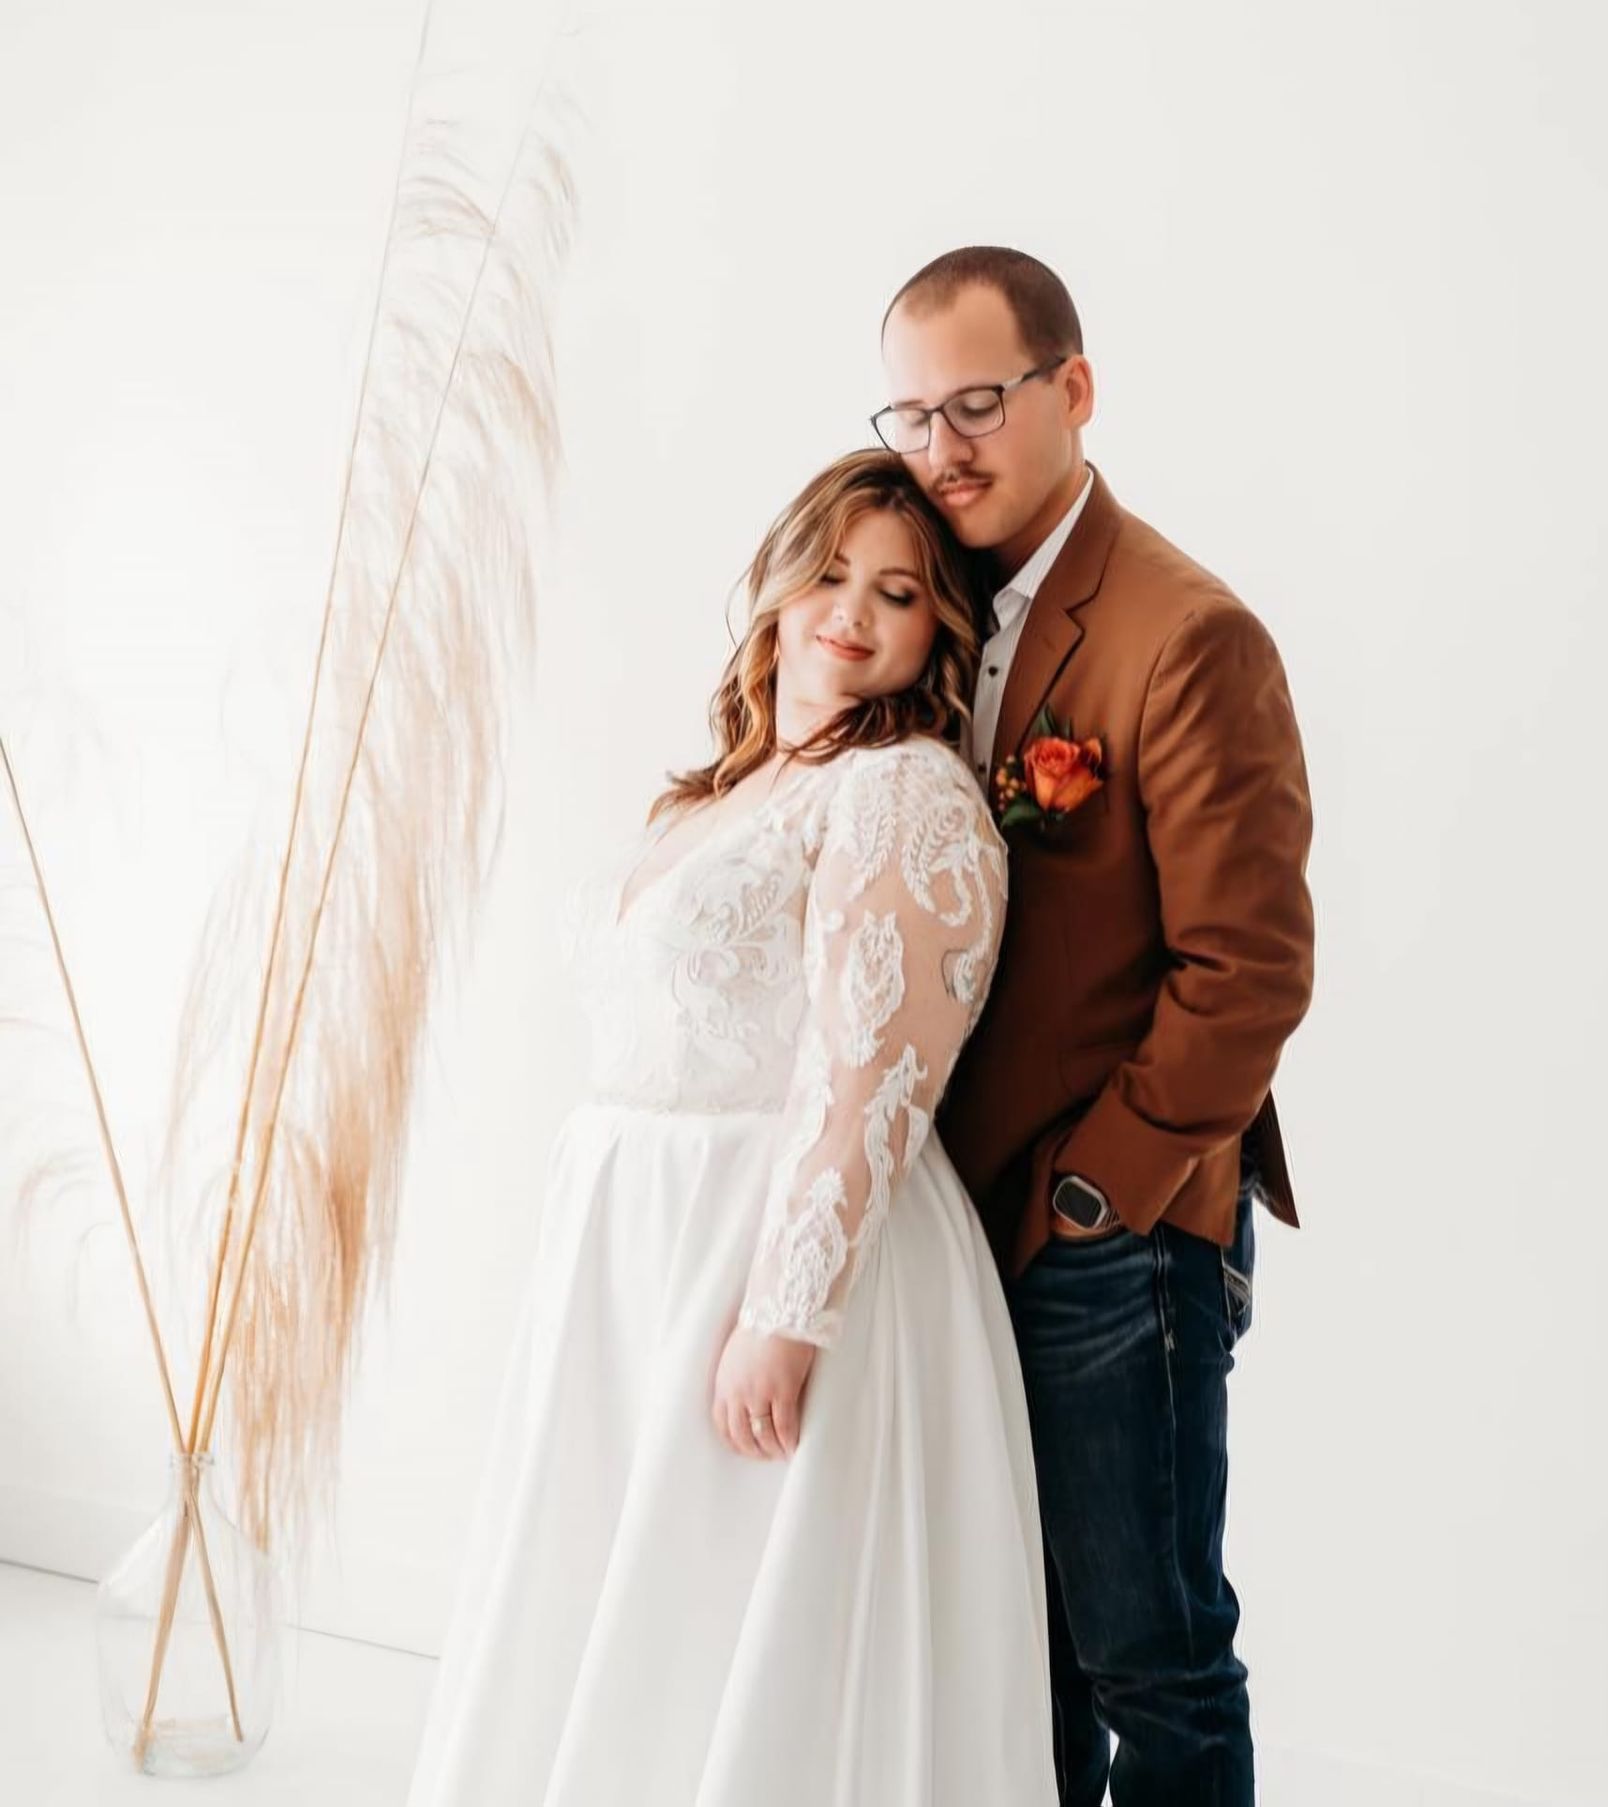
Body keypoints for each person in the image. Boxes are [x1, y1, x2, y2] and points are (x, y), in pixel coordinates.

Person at [403, 449, 1058, 1806]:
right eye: (829, 572)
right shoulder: (711, 797)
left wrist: (791, 1311)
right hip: (633, 1245)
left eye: (898, 591)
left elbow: (873, 1066)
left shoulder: (899, 790)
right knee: (613, 1602)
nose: (851, 612)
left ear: (940, 627)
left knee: (737, 1610)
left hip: (768, 1244)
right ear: (775, 580)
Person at [877, 246, 1316, 1807]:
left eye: (980, 404)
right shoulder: (921, 605)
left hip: (1112, 1239)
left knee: (1155, 1660)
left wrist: (1092, 1198)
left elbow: (1247, 974)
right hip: (954, 1238)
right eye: (916, 414)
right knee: (1019, 1652)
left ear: (1074, 391)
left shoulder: (1187, 634)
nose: (946, 449)